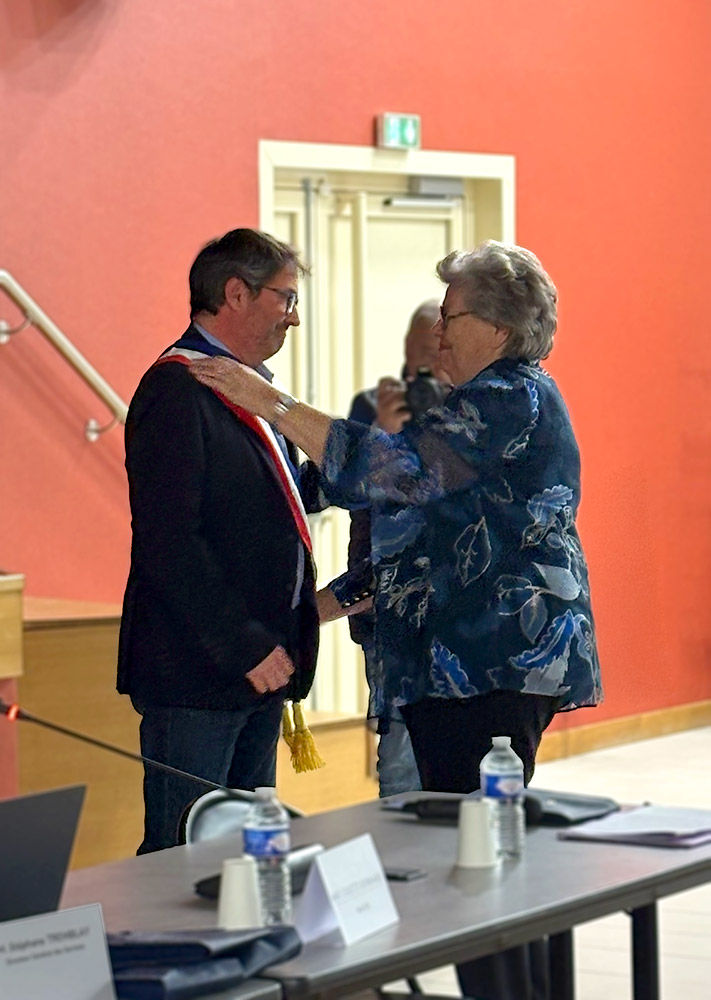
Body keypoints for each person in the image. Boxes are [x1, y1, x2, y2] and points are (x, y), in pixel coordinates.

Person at [191, 239, 602, 1000]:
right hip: (455, 672)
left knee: (481, 870)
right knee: (466, 863)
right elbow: (409, 530)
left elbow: (393, 471)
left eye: (452, 318)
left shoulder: (508, 396)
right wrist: (312, 606)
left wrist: (270, 403)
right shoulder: (474, 402)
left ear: (499, 330)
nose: (437, 333)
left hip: (488, 669)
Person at [117, 228, 320, 855]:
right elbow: (170, 544)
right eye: (285, 298)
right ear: (236, 293)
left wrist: (361, 469)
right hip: (203, 672)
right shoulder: (178, 389)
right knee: (182, 861)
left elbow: (265, 502)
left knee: (250, 855)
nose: (293, 316)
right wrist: (245, 645)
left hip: (258, 667)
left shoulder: (246, 385)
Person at [346, 299, 447, 797]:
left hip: (455, 605)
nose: (429, 359)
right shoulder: (372, 406)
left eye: (440, 346)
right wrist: (382, 436)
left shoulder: (473, 412)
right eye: (421, 347)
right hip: (385, 601)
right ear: (406, 347)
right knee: (401, 752)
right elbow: (350, 490)